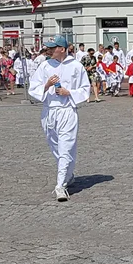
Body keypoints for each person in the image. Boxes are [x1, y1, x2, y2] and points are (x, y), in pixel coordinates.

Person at [28, 36, 91, 202]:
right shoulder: (45, 65)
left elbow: (85, 89)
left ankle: (60, 186)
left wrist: (69, 92)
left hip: (67, 110)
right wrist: (47, 85)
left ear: (62, 49)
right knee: (55, 146)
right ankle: (68, 175)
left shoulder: (76, 66)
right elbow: (33, 88)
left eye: (52, 47)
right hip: (49, 111)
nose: (49, 50)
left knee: (66, 146)